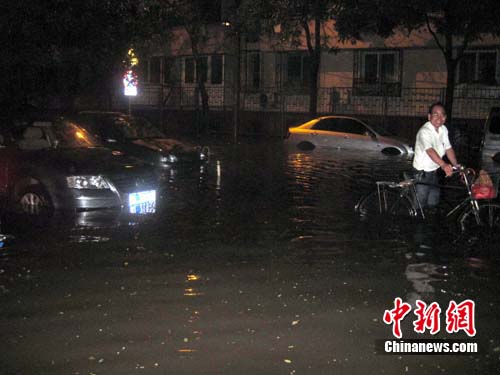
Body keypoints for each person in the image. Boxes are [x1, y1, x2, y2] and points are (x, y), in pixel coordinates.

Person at [412, 102, 458, 209]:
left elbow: (448, 148)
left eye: (442, 115)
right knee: (420, 206)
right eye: (435, 114)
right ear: (429, 116)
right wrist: (444, 165)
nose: (439, 118)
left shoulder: (443, 129)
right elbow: (430, 151)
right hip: (421, 174)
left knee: (433, 202)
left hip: (434, 172)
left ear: (445, 117)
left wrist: (457, 165)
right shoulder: (424, 131)